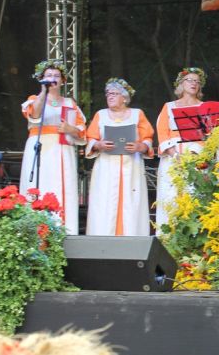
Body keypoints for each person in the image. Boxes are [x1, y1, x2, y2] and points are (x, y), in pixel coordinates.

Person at [19, 60, 86, 235]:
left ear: (63, 81)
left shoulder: (70, 103)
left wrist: (70, 129)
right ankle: (35, 232)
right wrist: (44, 91)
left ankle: (65, 230)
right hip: (40, 148)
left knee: (62, 186)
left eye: (56, 76)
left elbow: (82, 131)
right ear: (42, 79)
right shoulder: (34, 99)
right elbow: (35, 114)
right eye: (48, 75)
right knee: (39, 185)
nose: (53, 78)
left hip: (62, 149)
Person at [85, 78, 154, 236]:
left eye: (114, 93)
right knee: (105, 203)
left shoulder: (137, 114)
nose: (110, 96)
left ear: (124, 97)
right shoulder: (101, 115)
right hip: (106, 167)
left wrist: (140, 146)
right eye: (108, 93)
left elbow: (147, 139)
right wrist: (99, 145)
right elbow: (90, 139)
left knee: (131, 203)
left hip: (131, 165)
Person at [155, 67, 207, 228]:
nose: (194, 83)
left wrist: (193, 153)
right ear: (181, 84)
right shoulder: (169, 106)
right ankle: (168, 235)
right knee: (169, 195)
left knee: (193, 195)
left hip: (195, 156)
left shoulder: (204, 107)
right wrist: (174, 154)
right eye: (190, 80)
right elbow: (162, 131)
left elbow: (208, 134)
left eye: (197, 81)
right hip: (172, 156)